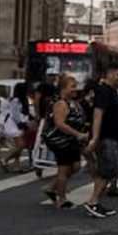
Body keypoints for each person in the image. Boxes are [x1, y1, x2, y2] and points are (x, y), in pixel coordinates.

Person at [83, 63, 118, 219]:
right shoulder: (104, 91)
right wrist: (95, 138)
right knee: (107, 171)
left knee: (108, 171)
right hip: (105, 138)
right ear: (109, 74)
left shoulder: (111, 91)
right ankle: (93, 202)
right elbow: (97, 115)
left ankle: (96, 202)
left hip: (111, 137)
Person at [42, 75, 88, 209]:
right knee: (64, 169)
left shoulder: (74, 102)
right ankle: (61, 199)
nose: (76, 89)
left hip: (71, 140)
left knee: (76, 167)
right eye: (72, 86)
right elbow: (60, 124)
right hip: (60, 140)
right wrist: (78, 134)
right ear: (63, 88)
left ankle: (51, 187)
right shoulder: (60, 103)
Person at [0, 82, 33, 172]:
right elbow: (15, 114)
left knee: (19, 146)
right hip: (13, 125)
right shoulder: (16, 100)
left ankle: (16, 165)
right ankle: (5, 159)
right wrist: (22, 124)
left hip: (18, 124)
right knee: (21, 145)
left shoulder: (23, 99)